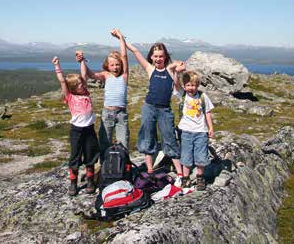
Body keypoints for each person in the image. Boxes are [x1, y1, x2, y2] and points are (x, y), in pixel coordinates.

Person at [125, 41, 185, 179]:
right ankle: (150, 170)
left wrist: (178, 70)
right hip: (149, 107)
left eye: (161, 56)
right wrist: (122, 38)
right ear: (151, 57)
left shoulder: (170, 70)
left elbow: (177, 86)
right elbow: (135, 51)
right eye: (155, 56)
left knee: (169, 137)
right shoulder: (150, 69)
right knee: (148, 136)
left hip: (165, 110)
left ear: (165, 57)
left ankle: (180, 172)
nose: (158, 59)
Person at [76, 29, 129, 161]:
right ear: (108, 65)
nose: (115, 67)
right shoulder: (106, 75)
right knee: (104, 142)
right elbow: (91, 75)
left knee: (124, 142)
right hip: (108, 113)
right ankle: (105, 167)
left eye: (117, 64)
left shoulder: (124, 75)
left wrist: (121, 38)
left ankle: (123, 167)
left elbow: (124, 55)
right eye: (112, 65)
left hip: (121, 114)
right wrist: (82, 61)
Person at [52, 55, 99, 196]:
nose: (82, 85)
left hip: (89, 130)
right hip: (76, 131)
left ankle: (90, 181)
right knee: (75, 156)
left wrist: (82, 61)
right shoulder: (70, 97)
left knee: (90, 155)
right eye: (79, 84)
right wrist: (57, 66)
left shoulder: (86, 93)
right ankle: (73, 184)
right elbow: (62, 81)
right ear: (72, 88)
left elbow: (83, 74)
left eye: (82, 83)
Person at [176, 70, 214, 190]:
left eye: (193, 85)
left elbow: (207, 112)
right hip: (186, 131)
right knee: (186, 156)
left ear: (197, 85)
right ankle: (185, 179)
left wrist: (210, 128)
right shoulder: (182, 94)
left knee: (201, 156)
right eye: (187, 85)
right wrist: (176, 72)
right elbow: (175, 83)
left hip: (201, 132)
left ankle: (200, 178)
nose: (190, 88)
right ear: (184, 86)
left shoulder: (203, 96)